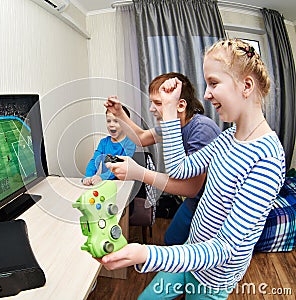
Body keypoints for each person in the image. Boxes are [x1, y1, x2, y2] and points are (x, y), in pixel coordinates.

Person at [100, 39, 286, 299]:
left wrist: (146, 253)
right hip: (192, 249)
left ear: (246, 85)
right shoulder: (228, 137)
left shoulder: (267, 158)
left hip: (214, 276)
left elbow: (227, 248)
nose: (207, 94)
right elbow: (178, 168)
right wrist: (168, 109)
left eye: (213, 82)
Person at [105, 72, 221, 245]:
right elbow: (142, 138)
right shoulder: (173, 126)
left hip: (210, 201)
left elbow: (191, 189)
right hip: (194, 198)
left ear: (180, 105)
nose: (152, 109)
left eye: (158, 103)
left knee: (176, 242)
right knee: (171, 239)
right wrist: (120, 114)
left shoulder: (202, 129)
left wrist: (139, 173)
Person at [82, 106, 136, 186]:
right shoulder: (103, 142)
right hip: (107, 184)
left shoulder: (130, 142)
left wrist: (102, 177)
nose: (111, 125)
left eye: (116, 121)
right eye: (108, 121)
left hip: (123, 184)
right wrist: (88, 176)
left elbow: (120, 166)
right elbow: (94, 160)